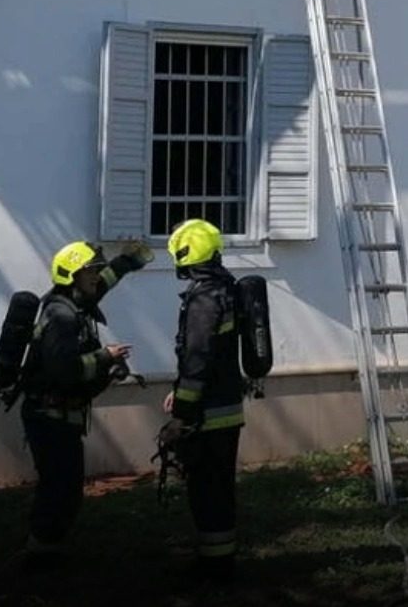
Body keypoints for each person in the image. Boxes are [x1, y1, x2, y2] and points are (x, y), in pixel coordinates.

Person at [19, 239, 153, 565]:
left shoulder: (74, 301)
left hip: (60, 415)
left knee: (64, 486)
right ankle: (41, 555)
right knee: (59, 487)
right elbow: (64, 370)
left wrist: (129, 261)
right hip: (50, 416)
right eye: (90, 271)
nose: (96, 276)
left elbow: (104, 282)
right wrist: (104, 357)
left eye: (96, 270)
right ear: (73, 276)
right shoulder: (62, 317)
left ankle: (48, 548)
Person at [161, 218, 243, 583]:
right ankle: (221, 559)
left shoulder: (204, 299)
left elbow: (197, 356)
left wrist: (182, 412)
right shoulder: (227, 290)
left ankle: (214, 567)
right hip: (226, 407)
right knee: (220, 486)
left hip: (207, 413)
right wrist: (178, 391)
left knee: (206, 488)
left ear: (184, 255)